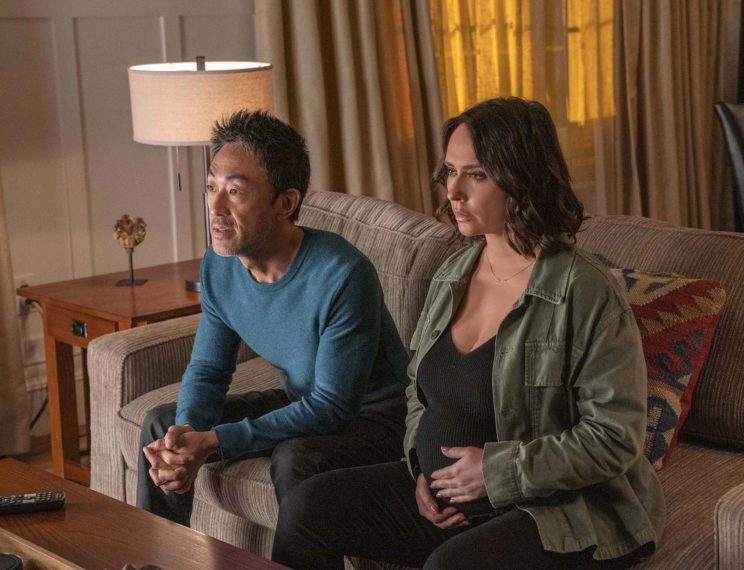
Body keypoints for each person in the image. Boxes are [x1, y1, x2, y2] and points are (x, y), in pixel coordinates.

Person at [271, 98, 665, 569]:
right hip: (453, 500)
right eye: (450, 172)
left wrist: (495, 473)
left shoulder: (584, 290)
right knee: (309, 507)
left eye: (475, 175)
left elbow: (614, 437)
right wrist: (420, 469)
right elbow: (418, 391)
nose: (453, 191)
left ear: (522, 178)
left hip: (557, 510)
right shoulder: (452, 274)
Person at [137, 110, 409, 527]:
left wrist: (215, 440)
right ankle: (158, 555)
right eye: (211, 187)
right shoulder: (220, 263)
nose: (215, 206)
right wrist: (186, 432)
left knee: (295, 458)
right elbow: (209, 369)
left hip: (376, 418)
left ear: (286, 203)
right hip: (304, 400)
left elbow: (333, 407)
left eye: (235, 191)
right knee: (163, 424)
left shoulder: (343, 274)